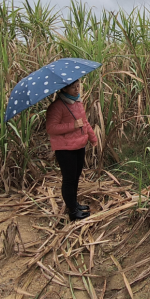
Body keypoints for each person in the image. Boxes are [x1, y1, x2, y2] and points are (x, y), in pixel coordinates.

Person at [46, 79, 98, 221]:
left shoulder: (77, 102)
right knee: (69, 179)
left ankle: (74, 204)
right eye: (73, 88)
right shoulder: (57, 107)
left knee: (75, 177)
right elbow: (51, 128)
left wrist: (92, 138)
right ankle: (73, 212)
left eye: (78, 86)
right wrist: (72, 125)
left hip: (79, 145)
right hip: (65, 149)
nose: (77, 90)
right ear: (64, 89)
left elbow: (85, 122)